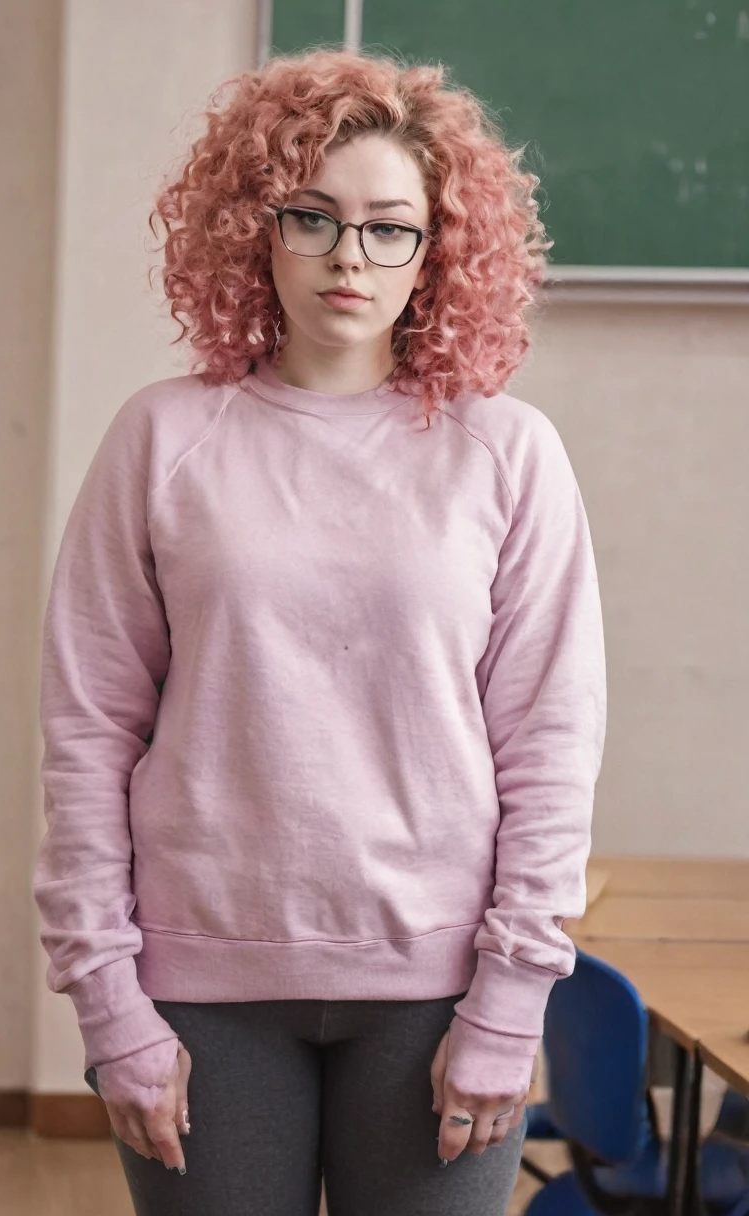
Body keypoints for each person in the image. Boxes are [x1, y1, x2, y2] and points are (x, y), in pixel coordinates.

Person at [33, 47, 606, 1216]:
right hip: (195, 989)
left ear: (436, 249)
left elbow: (549, 745)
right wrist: (107, 999)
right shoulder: (160, 440)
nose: (350, 254)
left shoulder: (507, 455)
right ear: (258, 227)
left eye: (389, 226)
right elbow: (87, 730)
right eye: (314, 216)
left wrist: (511, 998)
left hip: (441, 992)